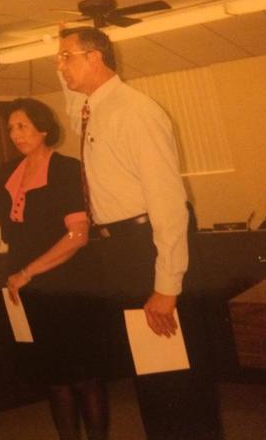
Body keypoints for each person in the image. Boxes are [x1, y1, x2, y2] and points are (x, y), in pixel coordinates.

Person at [57, 26, 222, 439]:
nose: (60, 66)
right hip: (123, 254)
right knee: (151, 374)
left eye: (66, 57)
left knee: (177, 376)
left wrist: (167, 284)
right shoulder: (93, 110)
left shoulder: (135, 111)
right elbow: (73, 101)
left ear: (95, 58)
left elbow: (167, 202)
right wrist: (60, 43)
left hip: (147, 247)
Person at [0, 98, 109, 440]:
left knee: (84, 376)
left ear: (43, 129)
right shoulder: (6, 173)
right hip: (29, 290)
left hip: (69, 284)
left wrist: (29, 271)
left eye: (23, 126)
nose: (15, 134)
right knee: (55, 379)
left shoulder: (66, 169)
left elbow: (78, 235)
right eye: (11, 127)